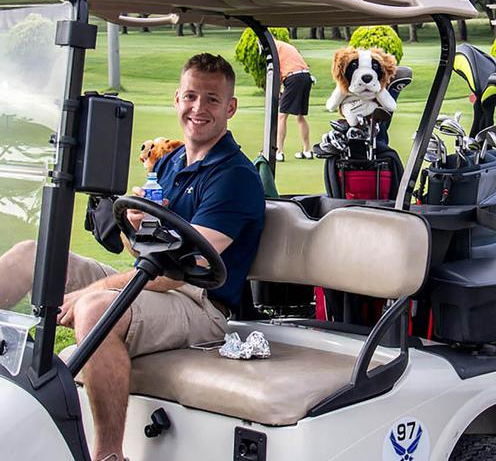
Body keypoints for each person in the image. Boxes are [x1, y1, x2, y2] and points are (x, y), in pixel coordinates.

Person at [0, 53, 265, 461]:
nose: (198, 108)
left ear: (230, 107)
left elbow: (179, 271)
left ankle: (109, 455)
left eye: (212, 99)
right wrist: (133, 223)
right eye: (191, 96)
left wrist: (91, 291)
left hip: (201, 304)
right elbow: (143, 253)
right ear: (177, 98)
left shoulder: (234, 176)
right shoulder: (173, 162)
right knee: (30, 255)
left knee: (95, 311)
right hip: (153, 282)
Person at [275, 40, 315, 161]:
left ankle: (278, 151)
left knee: (282, 116)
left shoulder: (274, 48)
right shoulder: (284, 45)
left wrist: (278, 91)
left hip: (293, 77)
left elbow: (276, 71)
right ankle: (307, 150)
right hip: (306, 76)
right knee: (300, 116)